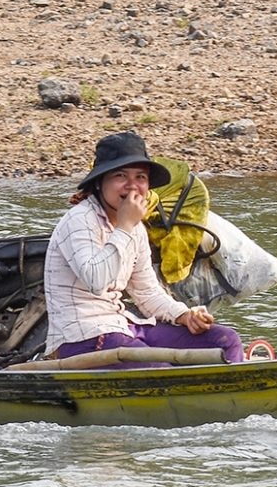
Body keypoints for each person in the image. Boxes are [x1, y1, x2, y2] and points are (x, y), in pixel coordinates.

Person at [43, 131, 243, 366]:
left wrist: (184, 315)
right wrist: (126, 226)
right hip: (83, 338)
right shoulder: (79, 221)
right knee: (156, 368)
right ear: (99, 183)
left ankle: (230, 398)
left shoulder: (135, 227)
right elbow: (96, 281)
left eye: (140, 177)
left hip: (123, 327)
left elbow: (147, 292)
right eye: (120, 175)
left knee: (224, 341)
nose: (132, 186)